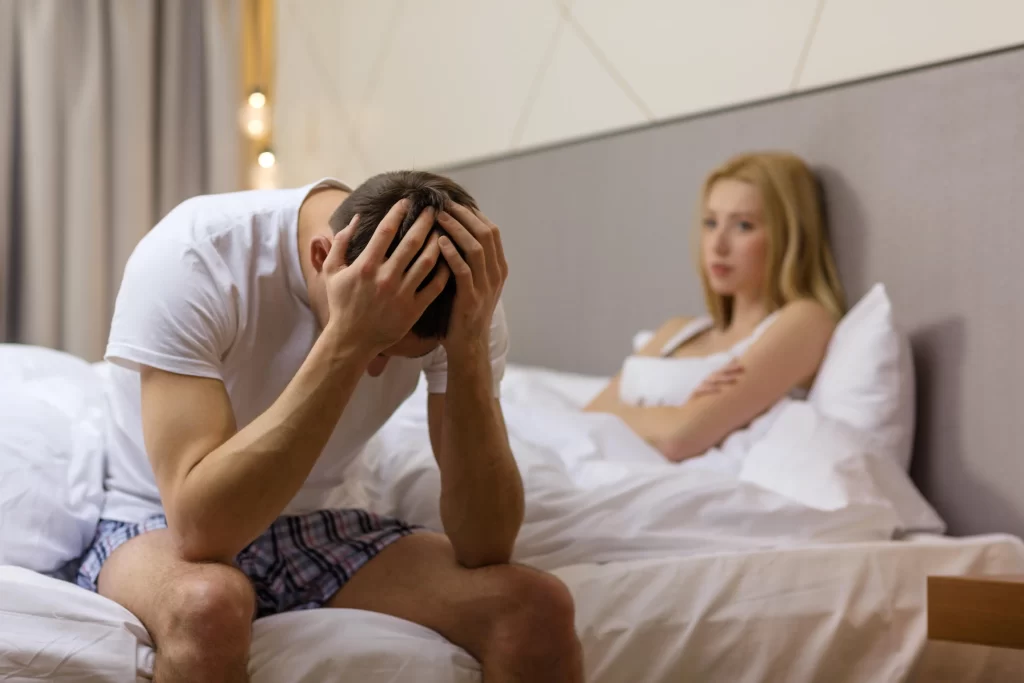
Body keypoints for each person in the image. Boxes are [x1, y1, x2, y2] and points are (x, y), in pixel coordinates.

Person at [76, 170, 583, 683]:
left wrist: (468, 347)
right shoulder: (196, 255)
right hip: (154, 519)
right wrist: (349, 341)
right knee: (207, 606)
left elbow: (486, 545)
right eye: (379, 349)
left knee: (536, 606)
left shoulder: (459, 291)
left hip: (320, 519)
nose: (378, 370)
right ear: (325, 259)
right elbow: (202, 532)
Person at [585, 151, 846, 463]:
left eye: (744, 226)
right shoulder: (677, 330)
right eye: (710, 223)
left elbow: (676, 439)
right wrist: (678, 413)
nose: (717, 245)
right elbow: (588, 415)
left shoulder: (804, 320)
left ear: (789, 236)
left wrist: (646, 417)